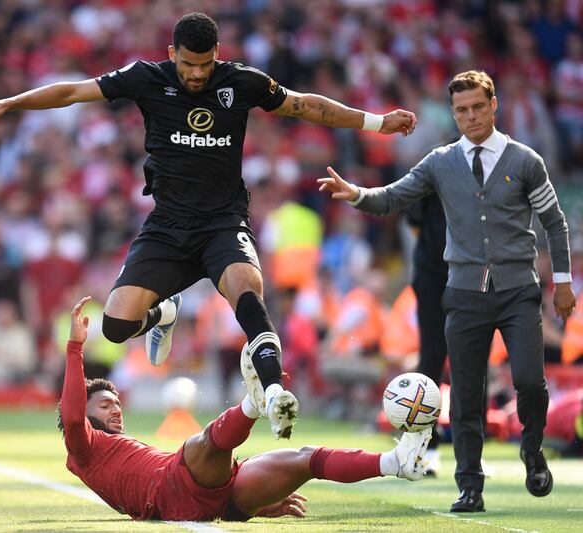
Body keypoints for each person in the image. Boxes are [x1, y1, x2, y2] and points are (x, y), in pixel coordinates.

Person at [0, 12, 417, 439]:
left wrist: (377, 121)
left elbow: (305, 107)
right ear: (173, 53)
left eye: (206, 64)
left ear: (217, 55)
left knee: (247, 290)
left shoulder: (241, 82)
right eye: (189, 64)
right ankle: (164, 314)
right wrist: (9, 103)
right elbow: (73, 91)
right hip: (168, 225)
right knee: (115, 327)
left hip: (223, 222)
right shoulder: (147, 78)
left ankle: (276, 392)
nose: (197, 74)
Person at [317, 70, 576, 512]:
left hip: (518, 290)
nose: (471, 116)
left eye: (478, 107)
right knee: (466, 392)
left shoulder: (525, 160)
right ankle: (469, 485)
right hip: (464, 292)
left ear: (494, 106)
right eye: (462, 110)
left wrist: (564, 282)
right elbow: (393, 197)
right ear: (452, 114)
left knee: (531, 382)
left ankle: (533, 451)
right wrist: (355, 193)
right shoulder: (439, 162)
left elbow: (554, 221)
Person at [57, 296, 432, 522]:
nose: (117, 410)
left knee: (307, 458)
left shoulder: (112, 447)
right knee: (199, 444)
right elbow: (73, 416)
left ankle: (396, 462)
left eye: (117, 403)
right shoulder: (83, 448)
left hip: (220, 496)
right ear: (86, 414)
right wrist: (75, 348)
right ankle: (254, 403)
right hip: (175, 489)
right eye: (106, 406)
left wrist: (256, 506)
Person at [405, 193, 449, 475]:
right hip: (435, 274)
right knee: (433, 360)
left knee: (472, 360)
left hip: (469, 276)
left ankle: (472, 450)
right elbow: (414, 217)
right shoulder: (435, 165)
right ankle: (425, 446)